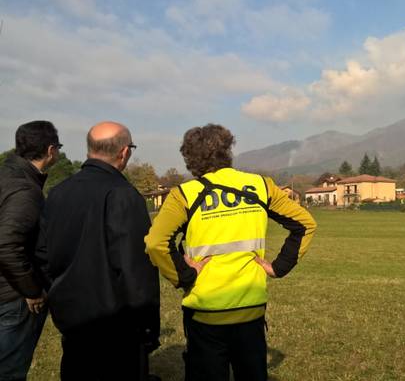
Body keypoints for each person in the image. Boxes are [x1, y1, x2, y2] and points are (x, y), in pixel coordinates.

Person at [145, 124, 316, 381]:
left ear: (190, 159)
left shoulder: (184, 195)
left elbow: (156, 243)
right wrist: (279, 266)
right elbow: (305, 224)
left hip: (205, 312)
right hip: (251, 307)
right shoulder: (261, 185)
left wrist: (184, 276)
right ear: (228, 151)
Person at [35, 121, 160, 381]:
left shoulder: (58, 193)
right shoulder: (124, 194)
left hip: (72, 319)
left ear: (90, 150)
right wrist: (148, 326)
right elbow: (134, 269)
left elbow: (42, 256)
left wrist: (59, 295)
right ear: (125, 152)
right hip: (117, 326)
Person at [0, 121, 61, 380]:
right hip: (13, 296)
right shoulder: (25, 189)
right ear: (50, 150)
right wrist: (32, 290)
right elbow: (6, 244)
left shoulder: (7, 176)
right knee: (10, 371)